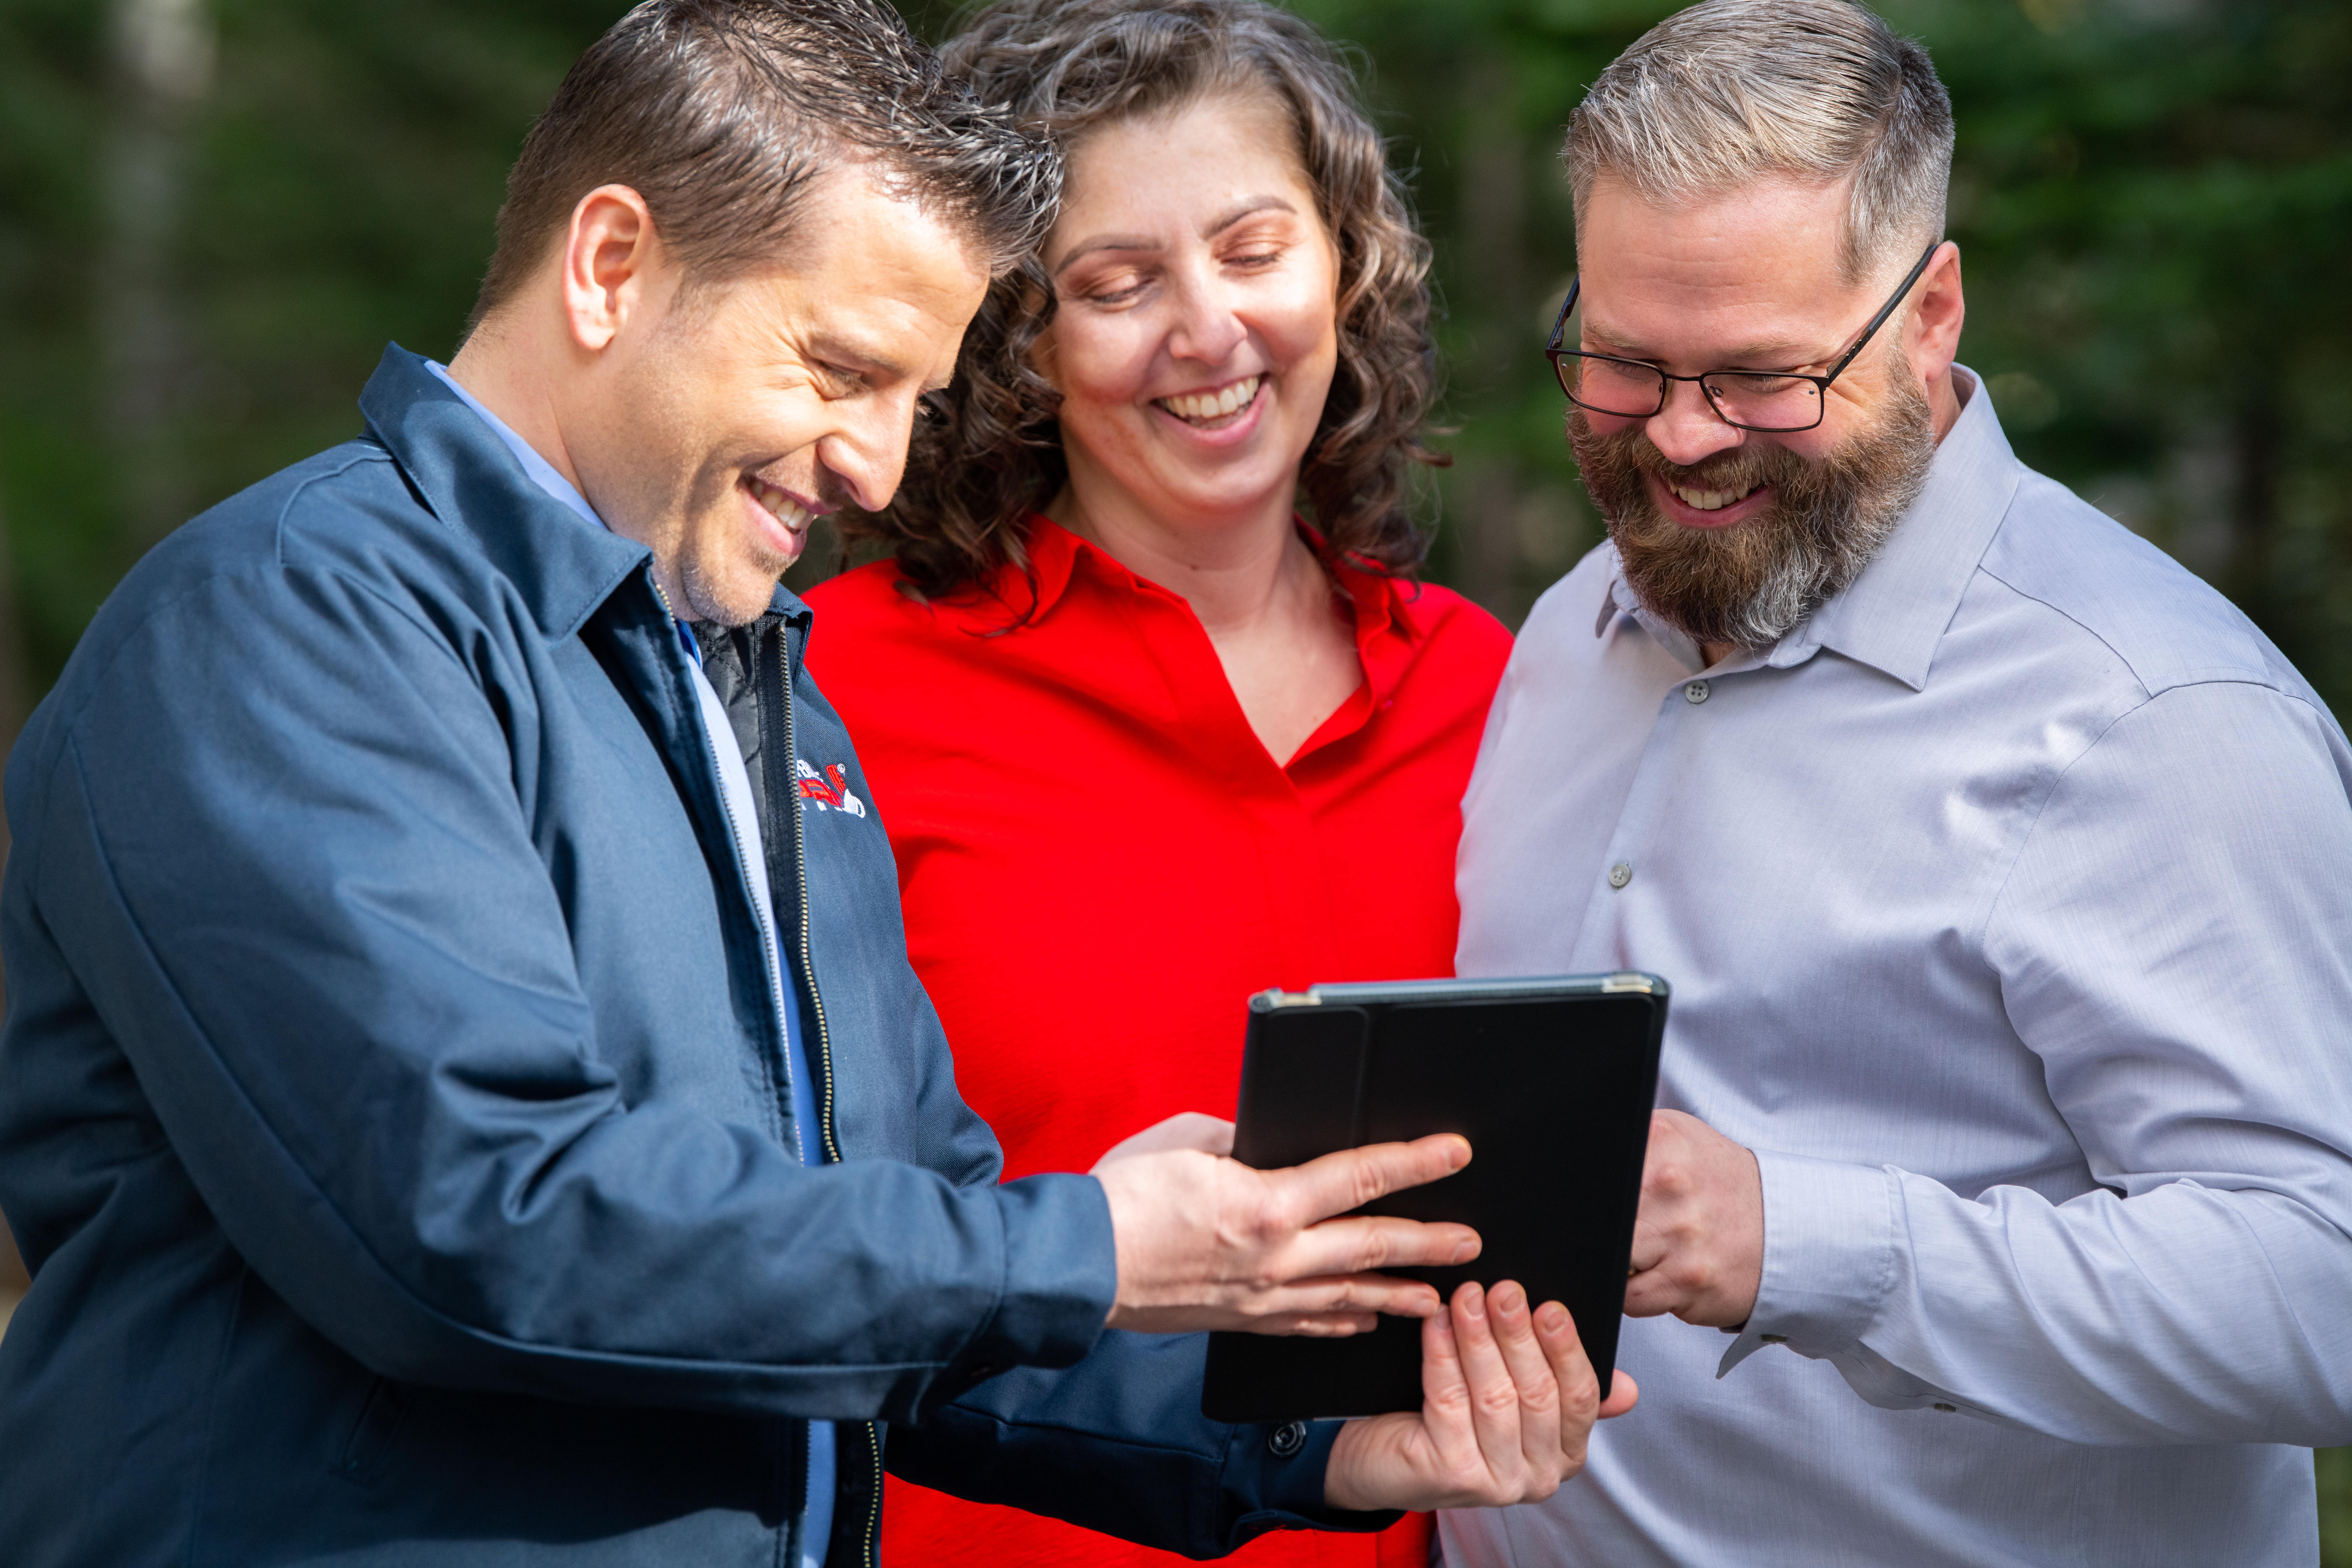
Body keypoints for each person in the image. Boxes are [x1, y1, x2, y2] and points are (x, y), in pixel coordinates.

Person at [0, 4, 1630, 1565]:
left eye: (913, 401)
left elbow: (905, 1280)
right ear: (612, 264)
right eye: (839, 370)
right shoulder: (298, 619)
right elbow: (475, 1221)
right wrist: (1092, 1244)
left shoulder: (758, 689)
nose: (876, 466)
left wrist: (1324, 1453)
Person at [1445, 1, 2352, 1564]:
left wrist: (1803, 1242)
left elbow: (2324, 1295)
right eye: (1622, 361)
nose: (1678, 438)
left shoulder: (2158, 716)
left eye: (1758, 378)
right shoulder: (1560, 637)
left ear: (1929, 314)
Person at [804, 3, 1516, 1563]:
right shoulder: (828, 692)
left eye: (1256, 251)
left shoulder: (1498, 691)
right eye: (1116, 287)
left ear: (1347, 263)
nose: (1208, 333)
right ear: (1013, 343)